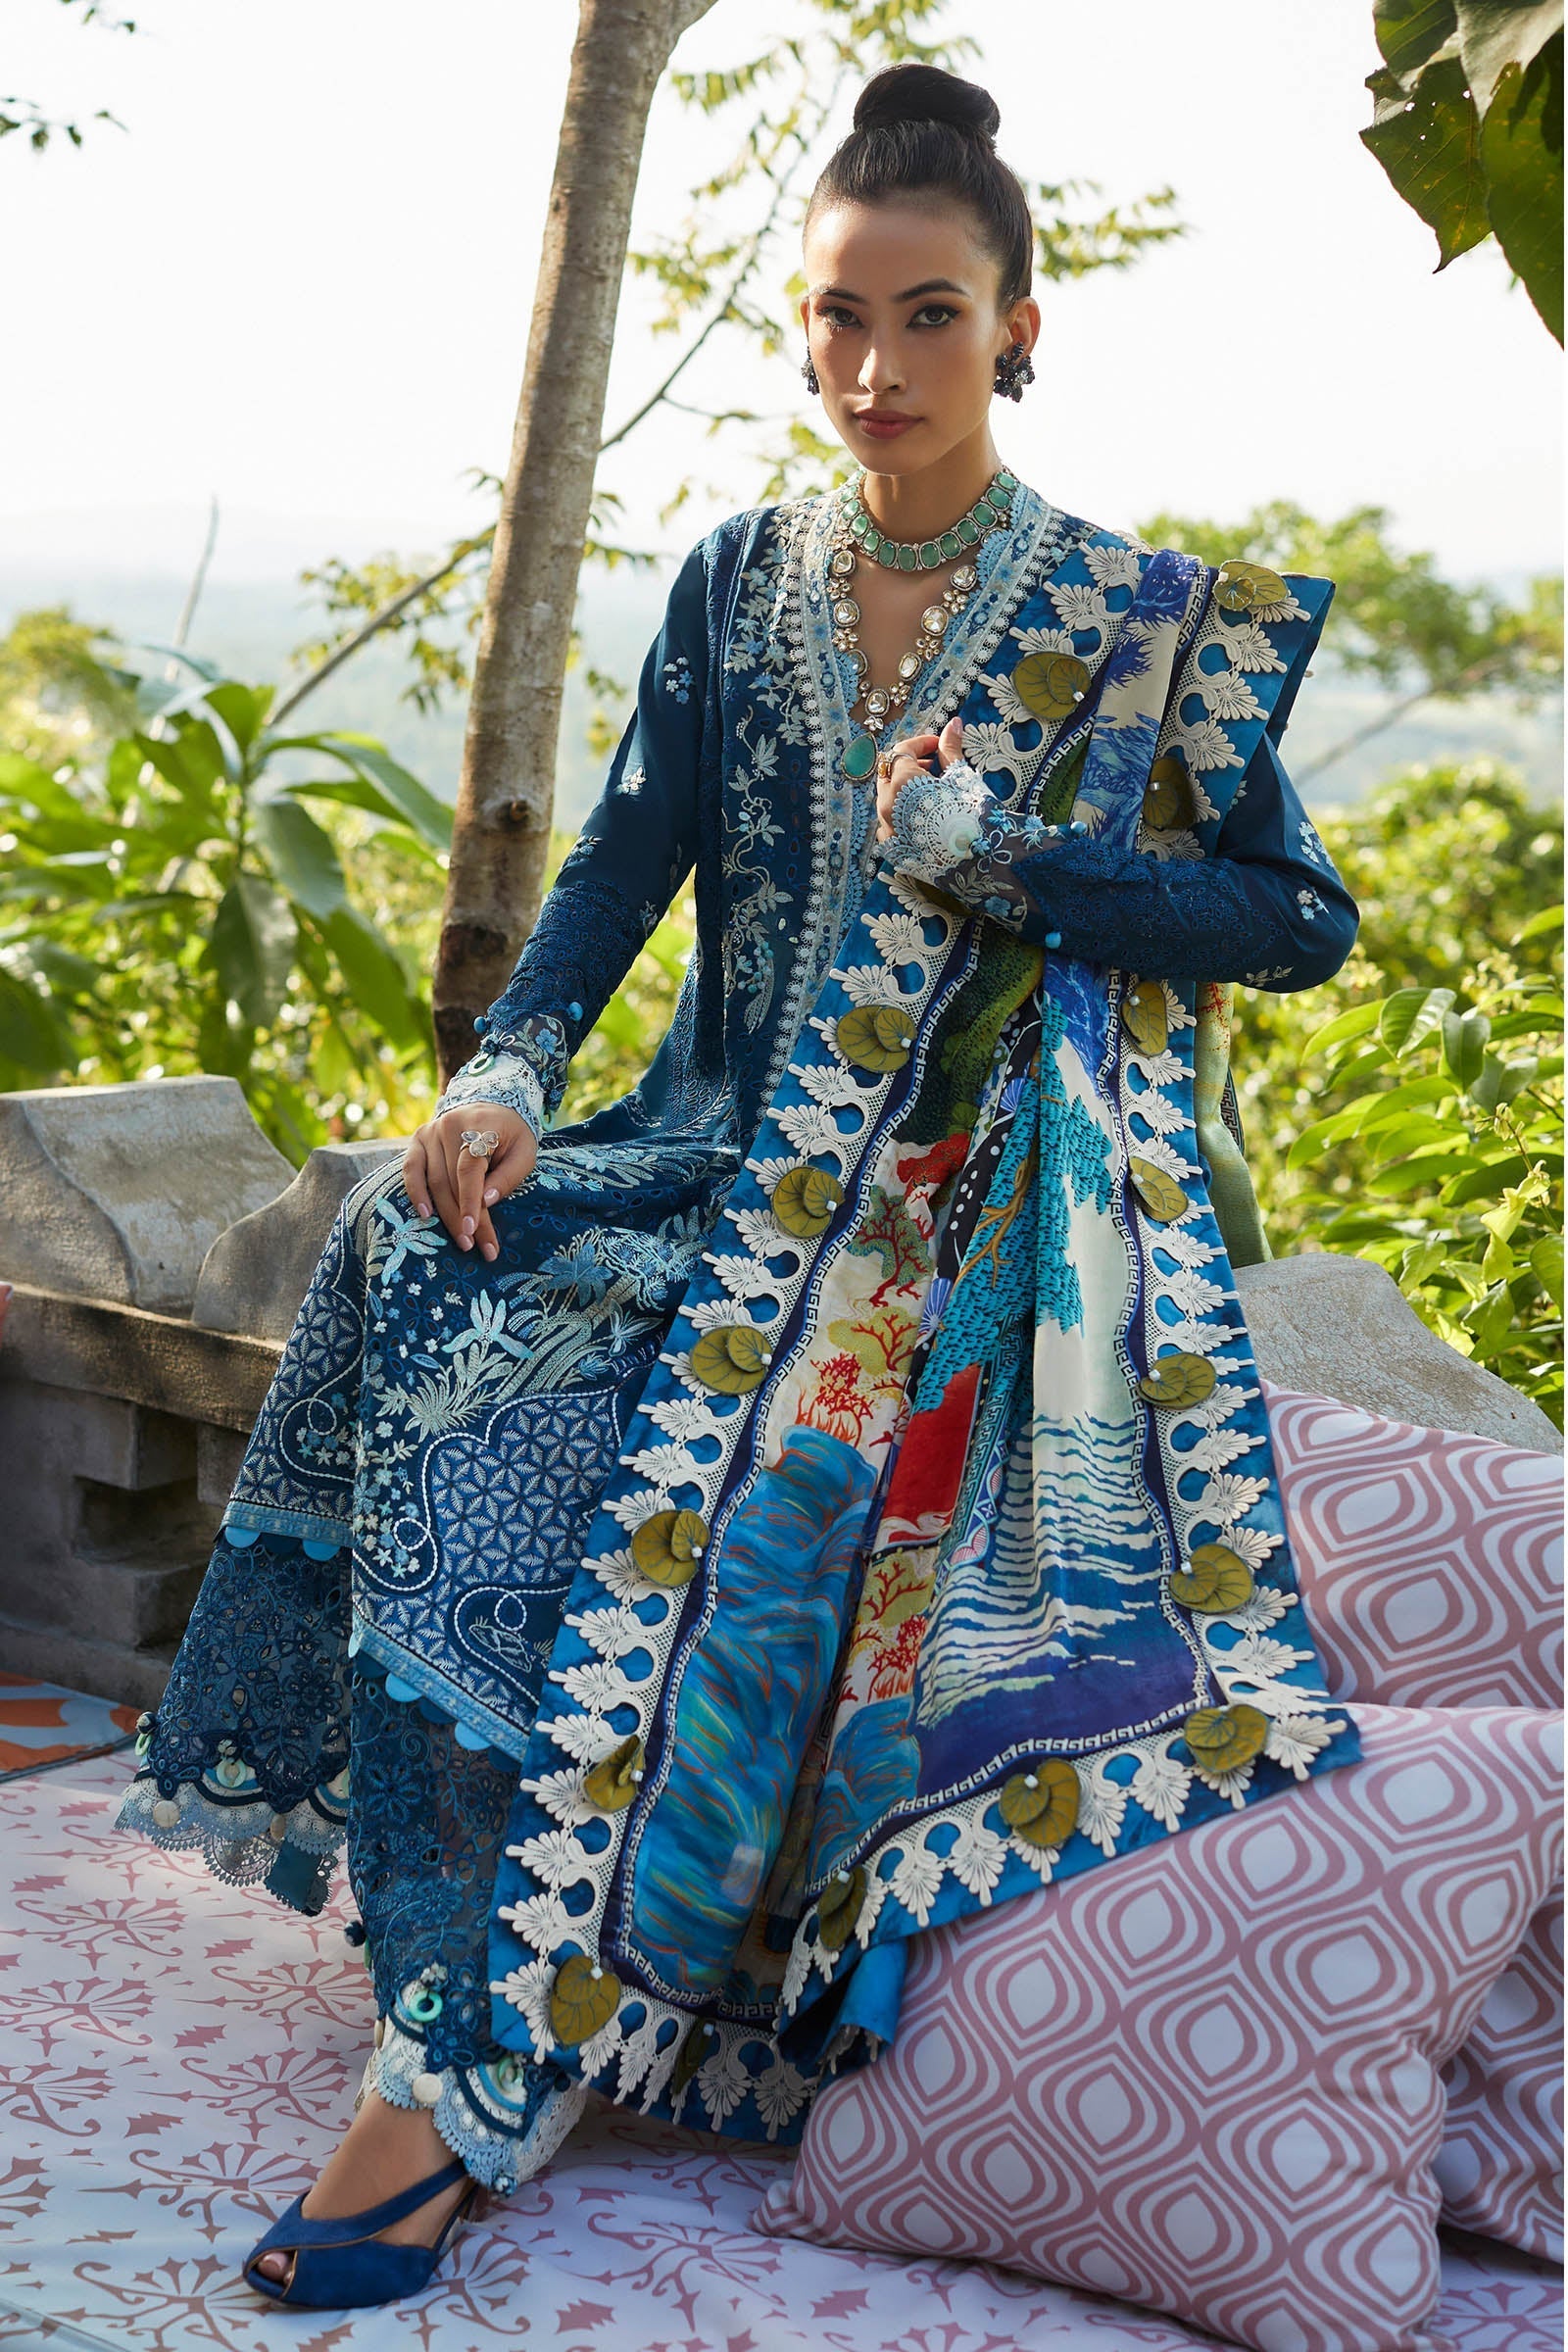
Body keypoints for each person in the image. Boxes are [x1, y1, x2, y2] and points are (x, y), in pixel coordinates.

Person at [119, 61, 1362, 2309]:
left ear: (1016, 327)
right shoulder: (736, 577)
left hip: (950, 1222)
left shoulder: (1123, 623)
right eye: (836, 318)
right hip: (709, 1160)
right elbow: (616, 871)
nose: (873, 368)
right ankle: (454, 1941)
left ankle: (472, 2071)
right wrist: (509, 1072)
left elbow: (1290, 919)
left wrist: (1007, 861)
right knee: (429, 1263)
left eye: (928, 316)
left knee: (756, 1476)